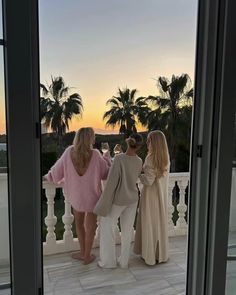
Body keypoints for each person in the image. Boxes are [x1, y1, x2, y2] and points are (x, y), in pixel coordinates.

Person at [44, 127, 111, 264]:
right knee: (91, 228)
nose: (94, 139)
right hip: (92, 197)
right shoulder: (96, 154)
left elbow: (56, 173)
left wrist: (47, 177)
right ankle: (87, 256)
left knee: (79, 224)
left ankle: (82, 253)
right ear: (89, 139)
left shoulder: (69, 152)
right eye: (93, 137)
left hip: (76, 197)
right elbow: (105, 174)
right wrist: (107, 159)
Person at [94, 133, 143, 268]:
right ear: (139, 146)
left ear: (128, 142)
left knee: (106, 225)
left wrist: (104, 202)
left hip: (119, 199)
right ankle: (124, 262)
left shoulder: (119, 159)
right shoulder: (139, 161)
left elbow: (111, 183)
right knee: (127, 231)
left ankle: (108, 262)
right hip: (133, 199)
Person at [134, 130, 170, 265]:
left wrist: (138, 174)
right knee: (158, 224)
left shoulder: (150, 158)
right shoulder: (165, 158)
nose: (147, 143)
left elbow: (148, 181)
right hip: (161, 197)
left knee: (149, 224)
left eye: (149, 140)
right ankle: (160, 254)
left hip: (150, 197)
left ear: (153, 142)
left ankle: (149, 254)